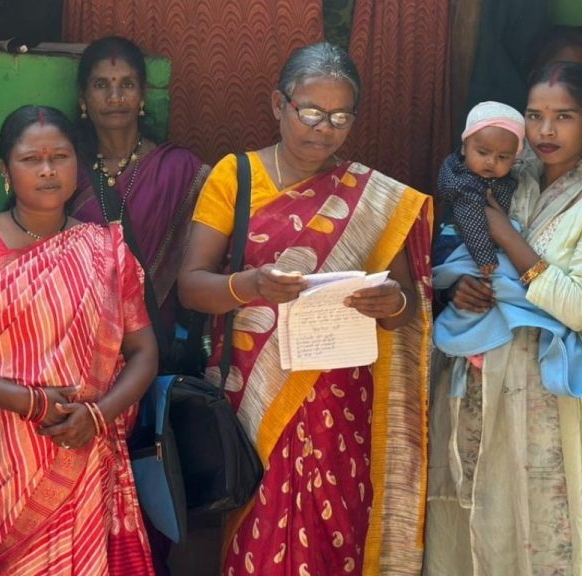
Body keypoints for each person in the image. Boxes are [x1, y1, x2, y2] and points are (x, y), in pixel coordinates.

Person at [178, 42, 432, 575]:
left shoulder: (372, 197)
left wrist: (392, 302)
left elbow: (404, 308)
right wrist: (250, 285)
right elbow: (191, 287)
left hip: (340, 404)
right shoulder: (235, 176)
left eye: (340, 117)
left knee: (335, 531)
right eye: (311, 112)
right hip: (253, 398)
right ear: (279, 104)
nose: (324, 129)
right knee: (258, 531)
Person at [0, 105, 158, 575]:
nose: (48, 170)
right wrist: (30, 402)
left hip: (85, 440)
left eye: (60, 156)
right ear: (5, 169)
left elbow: (144, 352)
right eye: (31, 159)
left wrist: (98, 415)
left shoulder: (106, 249)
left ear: (78, 163)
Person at [424, 62, 582, 576]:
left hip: (543, 396)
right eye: (535, 115)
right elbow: (453, 250)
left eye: (564, 116)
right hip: (470, 378)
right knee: (463, 513)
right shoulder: (506, 174)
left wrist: (505, 236)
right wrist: (459, 286)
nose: (545, 130)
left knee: (537, 524)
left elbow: (577, 307)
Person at [70, 36, 210, 367]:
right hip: (78, 344)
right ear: (83, 98)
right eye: (101, 85)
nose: (115, 97)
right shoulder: (67, 170)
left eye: (127, 84)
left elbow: (209, 262)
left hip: (160, 343)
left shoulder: (180, 169)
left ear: (142, 95)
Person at [435, 101, 525, 273]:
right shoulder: (464, 183)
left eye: (503, 157)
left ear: (515, 158)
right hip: (459, 243)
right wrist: (484, 256)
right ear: (464, 148)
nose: (491, 162)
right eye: (483, 153)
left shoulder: (509, 177)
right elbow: (470, 218)